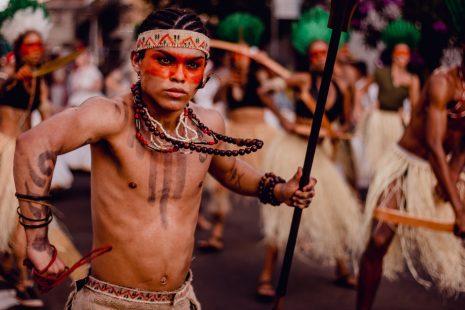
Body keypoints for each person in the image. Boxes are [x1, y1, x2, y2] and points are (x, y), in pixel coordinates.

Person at [14, 8, 317, 309]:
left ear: (204, 73)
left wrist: (279, 190)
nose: (178, 76)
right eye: (165, 60)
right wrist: (38, 243)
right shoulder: (110, 117)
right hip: (109, 302)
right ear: (137, 60)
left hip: (180, 300)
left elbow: (230, 170)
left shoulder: (207, 124)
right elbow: (33, 143)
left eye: (192, 65)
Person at [357, 5, 465, 308]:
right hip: (406, 164)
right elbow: (432, 144)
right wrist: (458, 208)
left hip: (445, 167)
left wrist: (455, 175)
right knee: (378, 241)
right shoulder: (442, 82)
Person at [256, 6, 361, 301]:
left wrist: (342, 130)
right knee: (283, 216)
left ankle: (341, 267)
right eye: (313, 54)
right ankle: (266, 276)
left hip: (322, 153)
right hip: (293, 149)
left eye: (322, 53)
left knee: (336, 211)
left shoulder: (343, 85)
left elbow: (349, 119)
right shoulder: (301, 81)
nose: (318, 58)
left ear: (332, 53)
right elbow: (266, 90)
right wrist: (284, 117)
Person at [197, 12, 285, 252]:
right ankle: (217, 232)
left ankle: (276, 235)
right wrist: (225, 84)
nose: (240, 58)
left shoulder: (260, 74)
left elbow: (280, 84)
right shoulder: (225, 76)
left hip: (261, 134)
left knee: (272, 179)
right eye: (236, 53)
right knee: (219, 185)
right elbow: (216, 99)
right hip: (235, 132)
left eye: (244, 54)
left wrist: (263, 60)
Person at [357, 19, 421, 178]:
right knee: (375, 160)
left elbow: (415, 106)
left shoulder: (412, 80)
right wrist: (359, 109)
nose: (402, 57)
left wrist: (408, 120)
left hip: (396, 121)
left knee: (394, 162)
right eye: (399, 53)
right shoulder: (381, 73)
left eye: (405, 53)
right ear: (393, 55)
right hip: (378, 119)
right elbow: (360, 90)